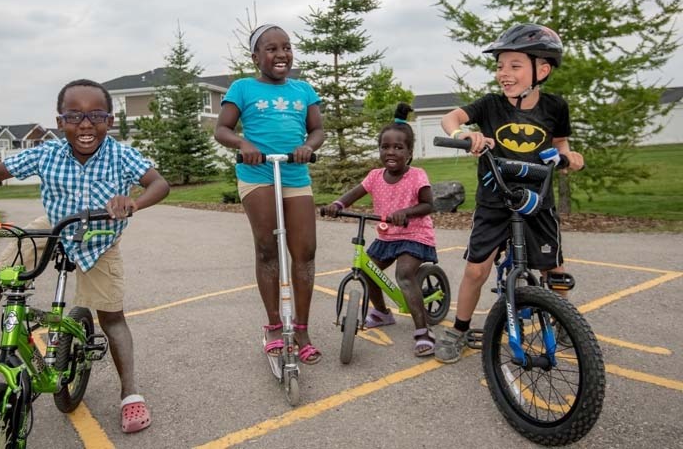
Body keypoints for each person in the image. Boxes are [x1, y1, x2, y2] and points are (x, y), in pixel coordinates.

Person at [0, 78, 170, 433]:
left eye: (96, 115)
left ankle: (130, 393)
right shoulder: (47, 152)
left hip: (99, 237)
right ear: (59, 121)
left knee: (112, 317)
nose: (85, 124)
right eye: (74, 116)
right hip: (52, 225)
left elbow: (159, 184)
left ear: (110, 121)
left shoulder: (121, 154)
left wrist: (133, 202)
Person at [434, 23, 585, 364]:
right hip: (495, 198)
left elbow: (560, 143)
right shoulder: (490, 105)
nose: (504, 73)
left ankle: (562, 318)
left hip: (537, 199)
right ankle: (458, 329)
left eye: (514, 65)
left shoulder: (555, 107)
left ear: (541, 69)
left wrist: (571, 156)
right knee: (476, 270)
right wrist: (465, 134)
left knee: (556, 269)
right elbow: (450, 118)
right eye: (500, 65)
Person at [214, 24, 326, 364]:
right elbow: (222, 129)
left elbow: (317, 129)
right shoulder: (242, 88)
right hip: (257, 173)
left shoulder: (304, 89)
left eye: (287, 47)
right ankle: (275, 326)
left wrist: (308, 146)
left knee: (304, 251)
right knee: (267, 249)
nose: (282, 54)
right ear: (256, 56)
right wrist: (242, 143)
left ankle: (302, 329)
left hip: (294, 173)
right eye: (272, 48)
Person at [324, 103, 438, 357]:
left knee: (405, 274)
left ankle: (423, 331)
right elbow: (355, 193)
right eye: (385, 146)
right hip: (387, 235)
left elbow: (429, 204)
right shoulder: (375, 176)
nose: (391, 151)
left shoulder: (417, 175)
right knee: (367, 271)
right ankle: (382, 313)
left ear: (409, 152)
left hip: (414, 235)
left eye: (398, 147)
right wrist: (338, 204)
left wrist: (406, 212)